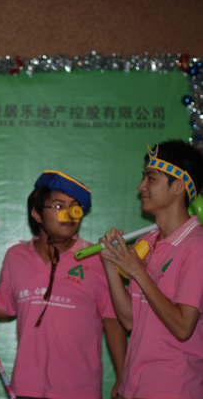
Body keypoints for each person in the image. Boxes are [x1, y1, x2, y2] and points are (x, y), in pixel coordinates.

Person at [0, 170, 126, 399]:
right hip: (26, 388)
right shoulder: (15, 256)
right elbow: (4, 306)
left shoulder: (97, 258)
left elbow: (113, 320)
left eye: (75, 207)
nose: (69, 214)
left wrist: (123, 377)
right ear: (36, 213)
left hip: (79, 390)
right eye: (58, 206)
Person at [99, 140, 203, 399]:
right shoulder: (147, 243)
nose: (141, 186)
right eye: (143, 177)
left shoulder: (197, 246)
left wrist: (138, 272)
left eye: (150, 178)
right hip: (135, 386)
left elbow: (183, 328)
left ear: (178, 186)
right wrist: (111, 264)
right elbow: (129, 320)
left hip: (173, 388)